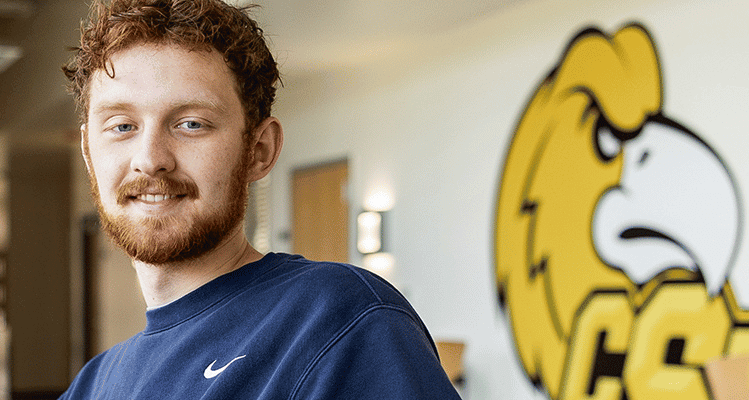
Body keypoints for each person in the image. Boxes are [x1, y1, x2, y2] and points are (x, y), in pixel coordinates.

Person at [58, 0, 459, 398]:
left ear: (260, 150)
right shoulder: (93, 385)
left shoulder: (340, 323)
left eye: (191, 124)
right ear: (89, 153)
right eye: (122, 125)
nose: (150, 160)